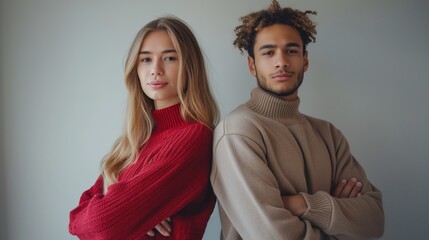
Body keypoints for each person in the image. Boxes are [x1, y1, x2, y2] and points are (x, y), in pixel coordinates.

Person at [210, 1, 384, 239]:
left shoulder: (328, 134)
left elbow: (374, 221)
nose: (281, 62)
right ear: (252, 65)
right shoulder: (237, 132)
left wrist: (304, 205)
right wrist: (339, 217)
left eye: (291, 51)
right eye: (268, 52)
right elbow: (274, 236)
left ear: (305, 60)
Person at [69, 16, 219, 240]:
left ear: (189, 66)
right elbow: (74, 220)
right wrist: (137, 216)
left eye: (169, 58)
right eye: (146, 59)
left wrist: (128, 215)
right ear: (135, 69)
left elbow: (103, 225)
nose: (155, 70)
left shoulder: (194, 137)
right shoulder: (133, 140)